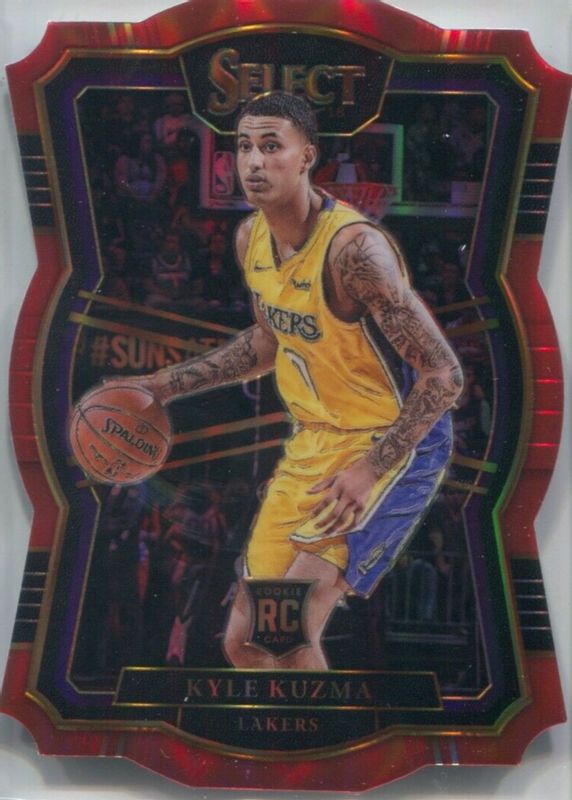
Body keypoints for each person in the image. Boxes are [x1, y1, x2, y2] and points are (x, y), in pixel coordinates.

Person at [121, 91, 463, 670]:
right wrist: (164, 384)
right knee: (243, 644)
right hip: (315, 442)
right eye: (244, 147)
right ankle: (285, 728)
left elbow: (444, 375)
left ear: (307, 156)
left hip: (391, 443)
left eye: (271, 146)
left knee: (288, 631)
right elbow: (266, 342)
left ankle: (317, 733)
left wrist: (370, 468)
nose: (254, 161)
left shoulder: (356, 252)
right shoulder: (250, 239)